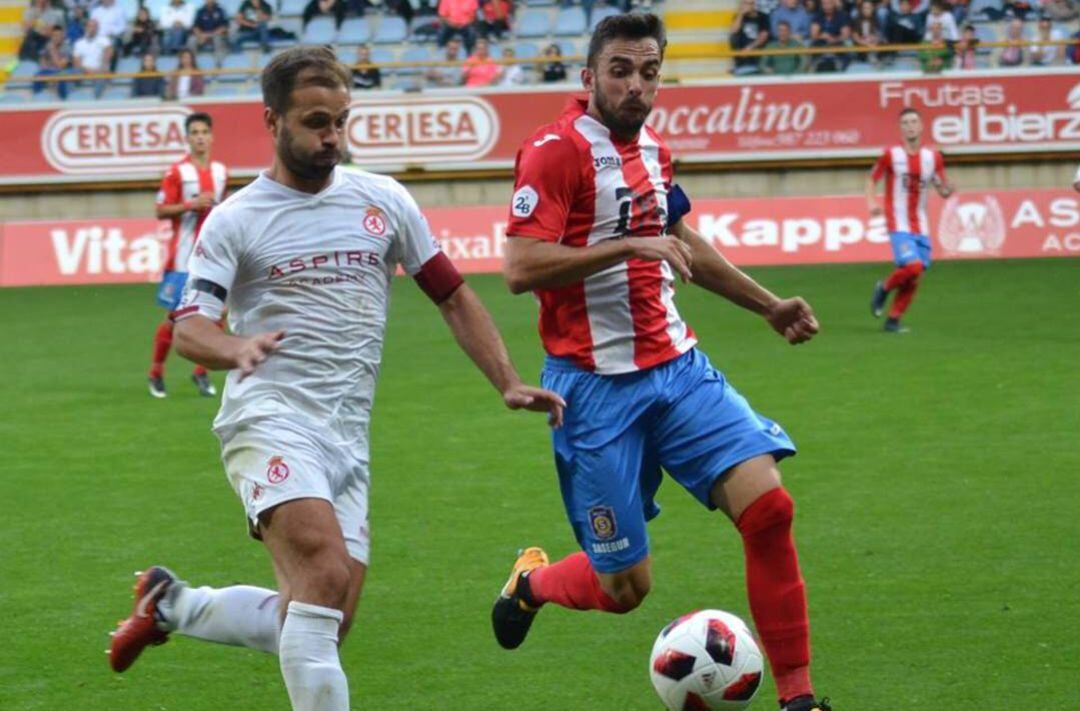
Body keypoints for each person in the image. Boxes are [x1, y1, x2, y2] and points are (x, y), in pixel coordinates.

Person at [109, 46, 564, 711]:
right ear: (272, 120)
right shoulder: (235, 220)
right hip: (267, 418)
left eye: (341, 121)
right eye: (316, 122)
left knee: (327, 615)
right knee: (322, 573)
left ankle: (173, 603)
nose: (332, 137)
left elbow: (453, 294)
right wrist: (234, 347)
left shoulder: (383, 200)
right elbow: (187, 329)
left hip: (346, 433)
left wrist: (507, 379)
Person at [490, 13, 828, 711]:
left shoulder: (653, 149)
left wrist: (766, 304)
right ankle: (532, 584)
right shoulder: (554, 151)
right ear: (588, 77)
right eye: (620, 70)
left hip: (680, 371)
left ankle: (799, 697)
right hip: (592, 391)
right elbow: (520, 267)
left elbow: (679, 242)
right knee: (625, 590)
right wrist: (626, 247)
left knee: (769, 509)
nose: (636, 85)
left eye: (649, 72)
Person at [146, 112, 228, 398]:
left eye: (205, 131)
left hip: (214, 258)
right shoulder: (177, 172)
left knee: (219, 313)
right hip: (184, 260)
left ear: (212, 136)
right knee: (176, 319)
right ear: (187, 138)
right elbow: (160, 210)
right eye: (194, 132)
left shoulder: (220, 171)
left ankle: (200, 371)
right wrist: (190, 204)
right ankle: (156, 372)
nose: (200, 137)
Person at [867, 108, 955, 333]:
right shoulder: (891, 155)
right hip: (898, 222)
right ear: (901, 128)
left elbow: (942, 187)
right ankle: (883, 289)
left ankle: (893, 320)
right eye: (905, 122)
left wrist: (948, 190)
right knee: (913, 266)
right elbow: (872, 178)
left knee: (914, 277)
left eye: (914, 121)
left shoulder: (932, 157)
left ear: (922, 126)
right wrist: (871, 202)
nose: (910, 126)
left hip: (921, 224)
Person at [72, 18, 112, 98]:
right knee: (70, 73)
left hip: (99, 70)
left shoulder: (104, 40)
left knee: (101, 75)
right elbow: (76, 63)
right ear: (86, 28)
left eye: (94, 26)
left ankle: (96, 102)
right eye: (90, 26)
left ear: (97, 28)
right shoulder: (79, 43)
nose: (92, 29)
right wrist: (89, 71)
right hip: (83, 71)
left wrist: (99, 69)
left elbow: (108, 55)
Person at [33, 24, 74, 100]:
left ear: (63, 36)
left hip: (63, 72)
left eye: (59, 35)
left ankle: (63, 100)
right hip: (50, 71)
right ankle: (37, 98)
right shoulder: (48, 45)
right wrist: (45, 65)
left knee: (62, 77)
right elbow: (42, 60)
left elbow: (60, 66)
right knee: (37, 76)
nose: (56, 38)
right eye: (54, 35)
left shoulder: (67, 47)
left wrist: (52, 50)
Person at [729, 0, 771, 73]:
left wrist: (750, 48)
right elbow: (733, 31)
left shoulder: (763, 16)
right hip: (742, 54)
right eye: (745, 3)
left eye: (749, 4)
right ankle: (737, 66)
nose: (747, 6)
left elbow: (763, 36)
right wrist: (741, 14)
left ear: (754, 4)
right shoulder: (739, 17)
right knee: (733, 38)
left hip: (756, 52)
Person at [190, 0, 229, 65]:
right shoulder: (200, 11)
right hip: (202, 35)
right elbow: (195, 26)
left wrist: (210, 35)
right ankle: (191, 63)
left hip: (216, 35)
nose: (209, 1)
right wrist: (200, 35)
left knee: (218, 39)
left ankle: (218, 63)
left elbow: (224, 27)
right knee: (192, 40)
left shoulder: (221, 10)